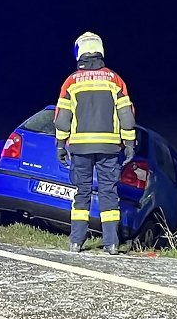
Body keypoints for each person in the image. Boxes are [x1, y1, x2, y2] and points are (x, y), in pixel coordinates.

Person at [53, 31, 136, 255]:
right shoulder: (115, 79)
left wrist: (60, 145)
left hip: (79, 146)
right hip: (109, 146)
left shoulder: (71, 81)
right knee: (109, 191)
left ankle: (76, 241)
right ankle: (111, 243)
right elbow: (126, 116)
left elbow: (62, 118)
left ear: (79, 51)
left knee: (82, 192)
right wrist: (129, 144)